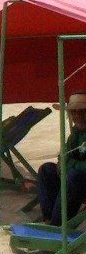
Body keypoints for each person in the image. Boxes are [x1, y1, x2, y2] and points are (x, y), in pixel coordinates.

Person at [36, 92, 86, 225]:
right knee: (46, 169)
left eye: (82, 112)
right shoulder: (77, 131)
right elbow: (64, 155)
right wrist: (67, 163)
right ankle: (49, 219)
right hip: (75, 179)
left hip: (78, 179)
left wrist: (70, 164)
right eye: (74, 112)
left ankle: (57, 224)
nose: (77, 116)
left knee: (74, 175)